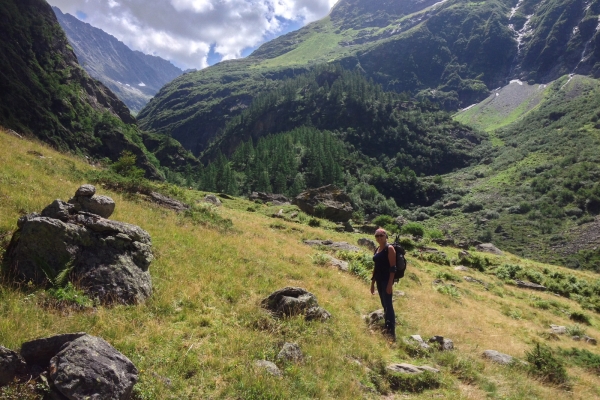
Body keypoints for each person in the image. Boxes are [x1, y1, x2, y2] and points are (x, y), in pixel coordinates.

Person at [370, 227, 396, 341]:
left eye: (381, 235)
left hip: (386, 280)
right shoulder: (377, 249)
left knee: (388, 305)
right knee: (384, 304)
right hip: (379, 280)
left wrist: (390, 284)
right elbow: (376, 267)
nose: (379, 237)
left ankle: (391, 333)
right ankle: (387, 326)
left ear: (386, 236)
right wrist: (372, 282)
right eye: (377, 235)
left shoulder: (389, 248)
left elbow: (393, 268)